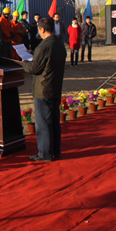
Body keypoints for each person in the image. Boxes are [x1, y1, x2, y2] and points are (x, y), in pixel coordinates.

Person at [23, 17, 66, 162]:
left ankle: (45, 154)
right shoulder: (59, 44)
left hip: (43, 89)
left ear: (42, 29)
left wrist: (24, 62)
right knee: (54, 121)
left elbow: (35, 69)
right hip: (55, 87)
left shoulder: (43, 47)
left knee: (43, 123)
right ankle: (55, 151)